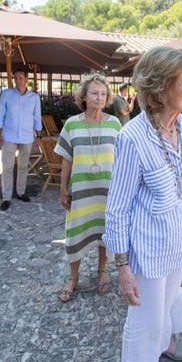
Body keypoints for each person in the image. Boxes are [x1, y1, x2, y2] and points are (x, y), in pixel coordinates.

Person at [104, 46, 182, 362]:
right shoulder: (132, 138)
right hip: (148, 251)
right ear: (162, 88)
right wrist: (122, 267)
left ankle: (163, 345)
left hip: (177, 242)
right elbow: (117, 209)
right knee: (144, 326)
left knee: (163, 311)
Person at [55, 74, 121, 302]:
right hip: (81, 192)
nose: (99, 98)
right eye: (94, 93)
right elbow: (66, 159)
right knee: (76, 233)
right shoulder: (72, 124)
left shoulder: (114, 123)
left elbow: (121, 159)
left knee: (105, 233)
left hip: (108, 192)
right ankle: (73, 277)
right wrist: (63, 188)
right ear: (83, 95)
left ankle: (102, 272)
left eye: (103, 94)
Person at [0, 68, 42, 211]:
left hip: (27, 136)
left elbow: (37, 117)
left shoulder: (34, 97)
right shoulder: (6, 95)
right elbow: (0, 114)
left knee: (23, 166)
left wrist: (38, 136)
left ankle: (21, 192)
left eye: (21, 77)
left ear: (26, 79)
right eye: (15, 78)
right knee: (7, 167)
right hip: (9, 136)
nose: (18, 80)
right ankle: (6, 197)